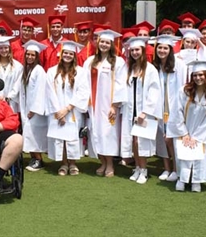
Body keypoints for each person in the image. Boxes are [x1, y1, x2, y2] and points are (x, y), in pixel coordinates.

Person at [166, 60, 206, 192]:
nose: (198, 78)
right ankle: (182, 179)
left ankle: (197, 181)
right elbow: (176, 112)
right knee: (183, 155)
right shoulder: (184, 91)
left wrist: (196, 137)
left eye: (201, 75)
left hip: (202, 133)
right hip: (184, 130)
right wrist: (184, 133)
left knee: (200, 155)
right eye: (195, 75)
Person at [84, 30, 127, 177]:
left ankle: (110, 164)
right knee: (96, 133)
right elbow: (83, 83)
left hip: (108, 104)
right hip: (93, 104)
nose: (103, 44)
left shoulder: (118, 62)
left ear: (111, 45)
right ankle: (102, 162)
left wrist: (115, 105)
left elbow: (121, 84)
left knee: (108, 134)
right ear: (97, 42)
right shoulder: (90, 61)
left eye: (107, 42)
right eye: (101, 41)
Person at [45, 41, 90, 176]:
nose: (67, 55)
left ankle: (73, 164)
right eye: (65, 53)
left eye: (70, 53)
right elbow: (50, 93)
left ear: (74, 55)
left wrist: (68, 108)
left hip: (73, 110)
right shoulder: (52, 71)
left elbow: (83, 92)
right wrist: (60, 112)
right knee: (60, 138)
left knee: (72, 137)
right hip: (57, 111)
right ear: (61, 54)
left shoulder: (81, 72)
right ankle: (63, 164)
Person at [121, 36, 162, 184]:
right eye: (132, 50)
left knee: (140, 142)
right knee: (133, 141)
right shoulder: (128, 68)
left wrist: (146, 112)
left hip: (144, 112)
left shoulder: (150, 69)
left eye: (137, 50)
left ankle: (144, 170)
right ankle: (137, 167)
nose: (134, 53)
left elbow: (154, 91)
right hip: (130, 110)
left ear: (143, 51)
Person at [152, 35, 186, 182]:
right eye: (159, 47)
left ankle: (176, 169)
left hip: (174, 108)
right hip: (159, 108)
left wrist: (180, 110)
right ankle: (166, 168)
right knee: (162, 139)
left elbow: (183, 87)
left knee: (172, 140)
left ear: (170, 49)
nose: (162, 50)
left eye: (165, 48)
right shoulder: (154, 66)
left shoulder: (180, 65)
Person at [11, 40, 49, 171]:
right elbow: (17, 86)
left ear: (37, 56)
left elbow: (41, 91)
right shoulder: (26, 69)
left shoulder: (39, 71)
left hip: (34, 111)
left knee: (35, 135)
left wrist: (34, 110)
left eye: (33, 55)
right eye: (28, 54)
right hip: (26, 108)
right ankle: (34, 158)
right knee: (29, 134)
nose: (30, 57)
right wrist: (9, 96)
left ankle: (39, 159)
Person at [0, 36, 23, 113]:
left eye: (6, 48)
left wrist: (8, 97)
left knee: (11, 122)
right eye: (1, 48)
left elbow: (18, 84)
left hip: (11, 102)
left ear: (9, 49)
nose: (4, 50)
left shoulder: (18, 66)